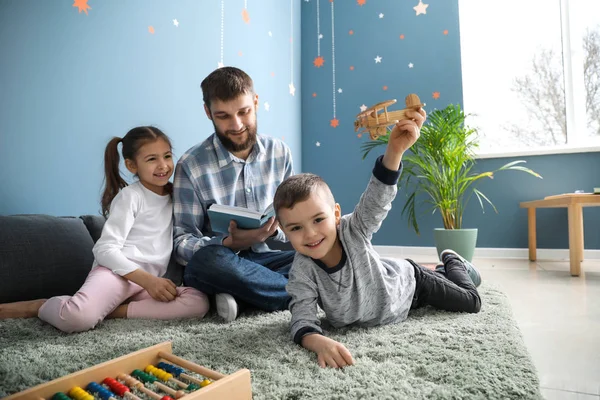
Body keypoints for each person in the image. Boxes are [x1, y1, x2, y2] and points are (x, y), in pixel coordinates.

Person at [273, 109, 483, 369]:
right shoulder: (302, 272)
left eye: (318, 220)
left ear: (336, 214)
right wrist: (319, 342)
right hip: (393, 304)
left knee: (471, 302)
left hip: (412, 284)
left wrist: (394, 151)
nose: (311, 234)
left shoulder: (353, 229)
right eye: (296, 228)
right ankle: (443, 270)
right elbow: (302, 319)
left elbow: (378, 198)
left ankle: (452, 262)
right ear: (283, 230)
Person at [0, 126, 209, 332]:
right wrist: (149, 281)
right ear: (131, 165)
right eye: (152, 159)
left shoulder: (176, 197)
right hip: (117, 275)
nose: (163, 165)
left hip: (148, 283)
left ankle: (110, 312)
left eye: (167, 156)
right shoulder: (131, 197)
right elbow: (105, 249)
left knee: (198, 302)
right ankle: (40, 306)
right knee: (76, 319)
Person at [173, 67, 295, 323]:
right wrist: (229, 244)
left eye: (244, 112)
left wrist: (271, 231)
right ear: (208, 113)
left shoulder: (280, 153)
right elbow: (182, 243)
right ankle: (304, 293)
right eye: (224, 116)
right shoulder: (191, 165)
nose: (237, 125)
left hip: (269, 256)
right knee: (209, 262)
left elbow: (293, 222)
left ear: (256, 102)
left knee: (319, 255)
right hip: (223, 262)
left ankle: (243, 296)